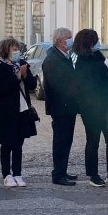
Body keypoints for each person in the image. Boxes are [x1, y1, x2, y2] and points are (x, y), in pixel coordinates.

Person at [73, 29, 108, 187]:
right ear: (88, 42)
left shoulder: (96, 55)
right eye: (95, 41)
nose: (97, 43)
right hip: (91, 107)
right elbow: (98, 73)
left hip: (107, 104)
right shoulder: (81, 60)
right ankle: (93, 174)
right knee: (93, 140)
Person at [0, 37, 37, 188]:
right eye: (14, 49)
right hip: (6, 113)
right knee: (7, 144)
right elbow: (2, 89)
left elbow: (32, 85)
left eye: (18, 49)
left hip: (22, 110)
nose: (17, 52)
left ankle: (17, 173)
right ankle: (7, 174)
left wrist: (25, 74)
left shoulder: (22, 65)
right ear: (6, 51)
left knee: (18, 144)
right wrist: (17, 77)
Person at [42, 27, 79, 186]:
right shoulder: (52, 59)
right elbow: (58, 85)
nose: (71, 40)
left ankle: (62, 171)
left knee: (66, 141)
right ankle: (58, 174)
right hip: (60, 107)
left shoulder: (64, 56)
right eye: (69, 38)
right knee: (61, 141)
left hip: (68, 107)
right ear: (60, 41)